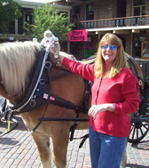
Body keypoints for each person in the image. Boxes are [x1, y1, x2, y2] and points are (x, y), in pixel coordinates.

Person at [49, 33, 140, 168]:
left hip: (114, 134)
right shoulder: (98, 71)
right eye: (105, 46)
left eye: (112, 46)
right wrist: (57, 55)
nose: (108, 50)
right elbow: (77, 67)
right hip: (95, 130)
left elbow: (133, 105)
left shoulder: (126, 75)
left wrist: (109, 107)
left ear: (118, 50)